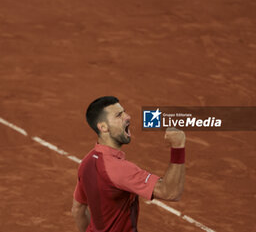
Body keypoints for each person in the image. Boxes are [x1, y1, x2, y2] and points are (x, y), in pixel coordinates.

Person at [71, 96, 186, 232]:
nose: (127, 117)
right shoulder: (119, 169)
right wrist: (178, 146)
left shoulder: (86, 162)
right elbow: (171, 192)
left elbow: (77, 210)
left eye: (124, 112)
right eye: (119, 115)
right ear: (103, 127)